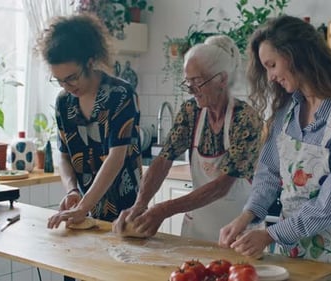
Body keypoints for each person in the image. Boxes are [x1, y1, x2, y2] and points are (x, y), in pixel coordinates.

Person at [218, 15, 331, 280]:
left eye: (272, 65)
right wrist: (246, 217)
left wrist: (269, 234)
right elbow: (269, 174)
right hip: (289, 252)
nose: (270, 77)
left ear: (295, 55)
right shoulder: (287, 110)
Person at [113, 35, 263, 242]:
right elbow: (164, 159)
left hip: (237, 233)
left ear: (222, 79)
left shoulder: (246, 119)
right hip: (196, 230)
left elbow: (222, 186)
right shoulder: (191, 112)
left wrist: (164, 209)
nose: (191, 89)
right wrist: (141, 203)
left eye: (198, 82)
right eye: (188, 81)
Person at [35, 13, 142, 227]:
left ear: (90, 61)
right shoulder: (64, 102)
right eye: (59, 80)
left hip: (125, 212)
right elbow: (64, 156)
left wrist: (83, 207)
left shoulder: (120, 94)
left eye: (72, 77)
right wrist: (72, 191)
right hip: (83, 211)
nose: (67, 86)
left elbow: (116, 157)